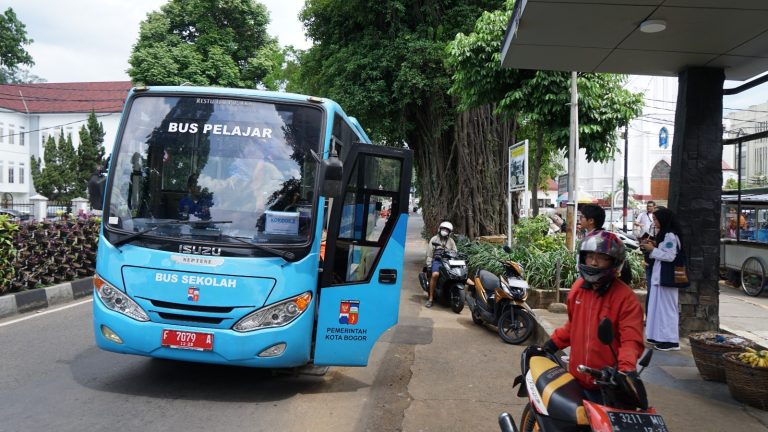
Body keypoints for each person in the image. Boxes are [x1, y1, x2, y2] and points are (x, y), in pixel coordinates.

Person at [543, 230, 645, 401]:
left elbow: (631, 340)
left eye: (602, 257)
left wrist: (625, 370)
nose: (594, 262)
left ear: (614, 262)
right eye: (590, 256)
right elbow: (573, 326)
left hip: (608, 384)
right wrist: (551, 344)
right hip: (576, 379)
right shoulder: (577, 290)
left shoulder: (626, 298)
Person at [640, 207, 682, 351]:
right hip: (660, 277)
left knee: (667, 309)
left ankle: (671, 340)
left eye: (656, 219)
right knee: (657, 308)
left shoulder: (670, 235)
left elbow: (670, 256)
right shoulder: (664, 235)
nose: (654, 222)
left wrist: (653, 250)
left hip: (667, 277)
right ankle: (657, 336)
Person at [579, 204, 633, 286]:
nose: (579, 220)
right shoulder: (590, 239)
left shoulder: (601, 241)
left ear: (591, 221)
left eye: (581, 217)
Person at [424, 221, 457, 308]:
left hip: (448, 262)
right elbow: (430, 254)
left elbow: (455, 252)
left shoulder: (451, 241)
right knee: (435, 275)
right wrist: (429, 265)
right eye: (443, 229)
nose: (445, 231)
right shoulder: (434, 239)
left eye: (447, 230)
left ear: (449, 232)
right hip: (437, 261)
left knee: (456, 275)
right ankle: (430, 298)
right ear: (440, 229)